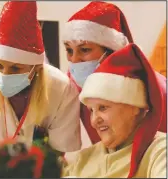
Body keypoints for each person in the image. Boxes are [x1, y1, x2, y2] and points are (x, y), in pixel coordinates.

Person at [0, 1, 81, 153]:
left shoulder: (62, 90)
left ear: (36, 68)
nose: (4, 75)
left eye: (16, 68)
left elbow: (62, 155)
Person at [62, 1, 166, 144]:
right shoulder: (74, 84)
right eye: (69, 50)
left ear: (112, 52)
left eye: (84, 50)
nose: (74, 60)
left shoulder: (157, 90)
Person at [62, 43, 166, 178]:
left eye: (103, 108)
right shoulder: (82, 159)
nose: (94, 121)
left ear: (134, 107)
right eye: (91, 110)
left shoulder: (160, 152)